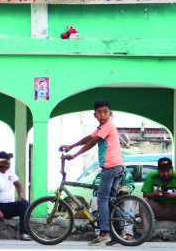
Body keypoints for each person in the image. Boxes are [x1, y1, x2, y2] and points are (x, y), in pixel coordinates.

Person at [60, 99, 123, 247]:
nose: (102, 115)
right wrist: (71, 146)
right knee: (111, 200)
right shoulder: (102, 127)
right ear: (94, 115)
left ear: (110, 114)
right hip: (117, 166)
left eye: (105, 112)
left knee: (101, 198)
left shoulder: (108, 126)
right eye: (99, 112)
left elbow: (93, 142)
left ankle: (104, 234)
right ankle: (118, 231)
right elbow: (89, 138)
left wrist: (74, 156)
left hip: (110, 166)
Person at [140, 157, 176, 243]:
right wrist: (155, 193)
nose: (165, 173)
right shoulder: (152, 176)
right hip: (158, 211)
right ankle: (147, 234)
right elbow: (145, 195)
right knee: (143, 201)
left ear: (172, 169)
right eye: (162, 171)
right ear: (158, 170)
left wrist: (174, 195)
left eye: (168, 170)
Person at [0, 152, 31, 241]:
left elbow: (18, 185)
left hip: (8, 205)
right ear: (3, 163)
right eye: (9, 160)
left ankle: (23, 232)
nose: (10, 162)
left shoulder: (10, 171)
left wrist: (20, 197)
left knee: (24, 204)